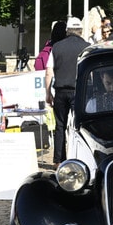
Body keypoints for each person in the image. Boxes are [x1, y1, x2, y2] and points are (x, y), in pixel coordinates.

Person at [44, 17, 90, 165]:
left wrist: (47, 93)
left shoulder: (56, 47)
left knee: (60, 125)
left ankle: (58, 160)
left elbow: (49, 72)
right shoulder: (88, 47)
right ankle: (80, 159)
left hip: (60, 90)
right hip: (80, 91)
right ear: (81, 31)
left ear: (67, 31)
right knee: (80, 126)